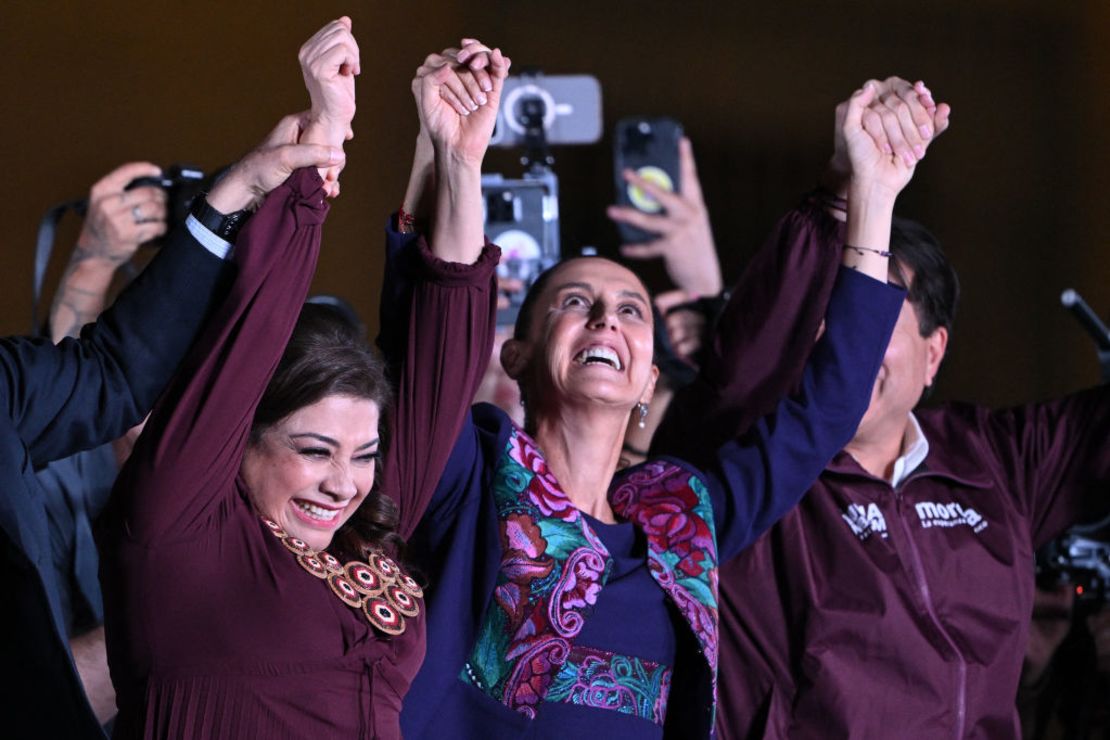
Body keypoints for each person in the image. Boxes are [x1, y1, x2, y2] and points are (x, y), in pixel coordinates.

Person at [396, 71, 906, 736]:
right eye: (574, 302)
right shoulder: (470, 475)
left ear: (649, 378)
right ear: (517, 355)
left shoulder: (681, 522)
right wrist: (456, 163)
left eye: (631, 309)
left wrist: (874, 193)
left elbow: (825, 413)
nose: (606, 319)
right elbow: (427, 339)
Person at [651, 77, 1110, 737]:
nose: (843, 339)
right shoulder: (752, 464)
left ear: (933, 353)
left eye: (868, 315)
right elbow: (746, 357)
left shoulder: (995, 461)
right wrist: (843, 191)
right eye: (829, 313)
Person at [98, 22, 505, 739]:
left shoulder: (361, 535)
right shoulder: (181, 530)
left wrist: (457, 160)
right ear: (241, 438)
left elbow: (441, 354)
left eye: (363, 454)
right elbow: (247, 332)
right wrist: (323, 142)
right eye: (314, 450)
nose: (343, 483)